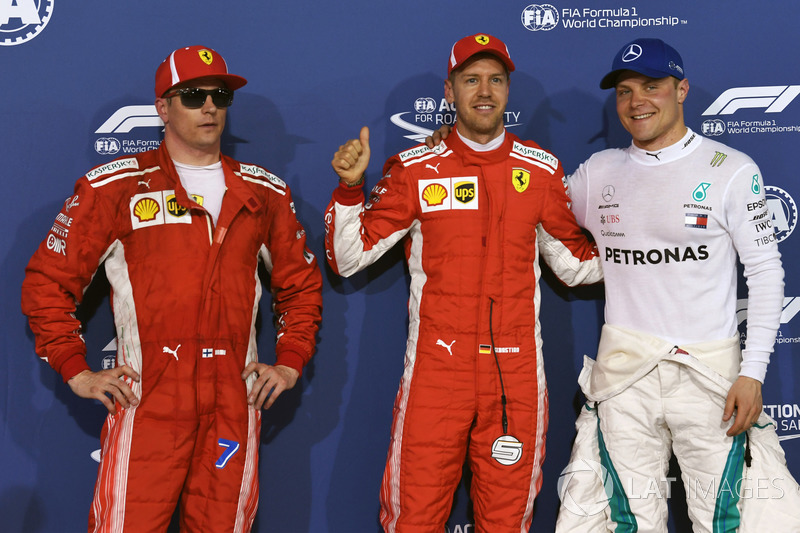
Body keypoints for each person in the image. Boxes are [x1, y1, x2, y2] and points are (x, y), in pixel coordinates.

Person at [21, 45, 322, 532]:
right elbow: (46, 283)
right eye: (193, 95)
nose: (209, 106)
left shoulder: (265, 192)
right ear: (163, 107)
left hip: (232, 406)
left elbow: (302, 286)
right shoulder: (116, 187)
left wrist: (289, 361)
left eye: (219, 95)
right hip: (148, 405)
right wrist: (76, 370)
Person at [325, 33, 602, 532]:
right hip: (436, 372)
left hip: (514, 375)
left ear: (508, 90)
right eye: (470, 80)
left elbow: (576, 265)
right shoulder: (414, 170)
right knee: (413, 517)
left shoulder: (539, 171)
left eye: (495, 80)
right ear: (449, 91)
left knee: (507, 520)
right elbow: (347, 258)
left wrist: (646, 240)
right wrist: (350, 190)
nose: (484, 91)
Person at [548, 38, 800, 531]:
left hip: (711, 378)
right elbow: (531, 200)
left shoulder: (730, 169)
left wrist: (752, 374)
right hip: (625, 380)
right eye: (624, 91)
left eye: (652, 86)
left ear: (681, 89)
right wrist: (452, 145)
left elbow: (767, 273)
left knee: (724, 521)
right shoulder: (598, 174)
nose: (636, 101)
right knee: (628, 522)